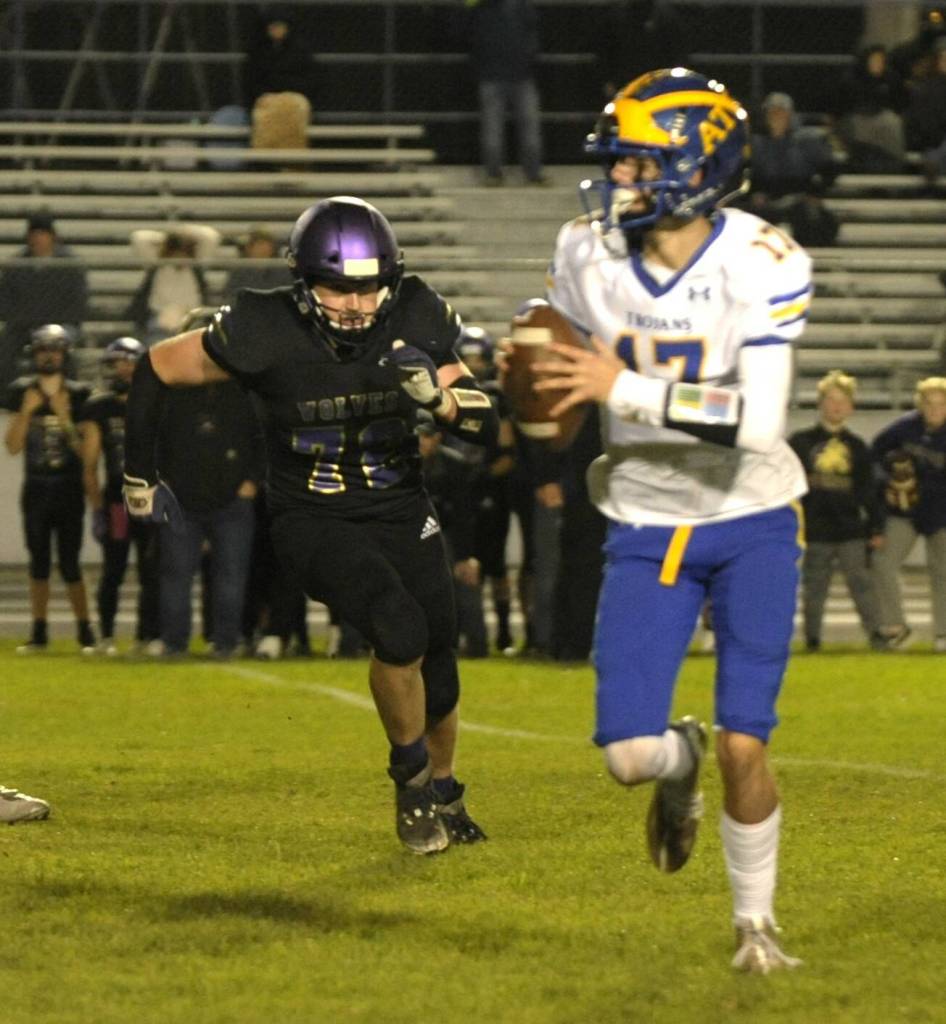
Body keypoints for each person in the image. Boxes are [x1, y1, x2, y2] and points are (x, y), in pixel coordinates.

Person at [534, 69, 811, 973]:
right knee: (625, 757)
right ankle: (674, 760)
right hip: (647, 519)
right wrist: (525, 367)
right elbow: (557, 355)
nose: (617, 179)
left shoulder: (762, 259)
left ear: (695, 166)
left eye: (636, 162)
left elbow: (760, 421)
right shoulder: (589, 249)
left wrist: (627, 389)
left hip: (754, 515)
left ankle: (754, 926)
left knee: (747, 740)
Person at [120, 196, 498, 854]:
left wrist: (437, 400)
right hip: (314, 516)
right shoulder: (263, 325)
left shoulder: (414, 310)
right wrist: (137, 474)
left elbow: (481, 417)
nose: (355, 304)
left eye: (367, 287)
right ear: (303, 280)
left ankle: (443, 788)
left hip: (402, 509)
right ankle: (409, 783)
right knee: (397, 628)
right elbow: (156, 367)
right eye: (337, 288)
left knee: (440, 656)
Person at [149, 307, 264, 659]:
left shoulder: (245, 391)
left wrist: (252, 481)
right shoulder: (169, 391)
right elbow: (152, 440)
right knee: (176, 576)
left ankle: (226, 642)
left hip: (231, 497)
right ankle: (174, 642)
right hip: (181, 498)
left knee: (230, 577)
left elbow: (261, 438)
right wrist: (160, 483)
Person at [3, 324, 96, 653]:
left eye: (55, 349)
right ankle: (39, 631)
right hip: (37, 486)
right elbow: (12, 446)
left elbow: (84, 450)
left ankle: (86, 630)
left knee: (70, 562)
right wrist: (27, 412)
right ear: (35, 353)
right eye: (43, 349)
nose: (49, 355)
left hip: (68, 487)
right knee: (38, 561)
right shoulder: (21, 391)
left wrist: (63, 416)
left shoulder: (80, 393)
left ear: (65, 353)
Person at [787, 370, 884, 651]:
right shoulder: (801, 443)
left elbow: (868, 491)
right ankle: (813, 638)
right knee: (814, 588)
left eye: (843, 401)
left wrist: (875, 527)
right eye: (831, 400)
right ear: (820, 403)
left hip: (850, 530)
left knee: (862, 585)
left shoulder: (857, 447)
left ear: (851, 407)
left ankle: (876, 634)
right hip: (815, 529)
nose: (837, 406)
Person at [79, 337, 160, 655]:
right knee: (114, 567)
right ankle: (107, 635)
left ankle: (148, 635)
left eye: (128, 362)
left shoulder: (157, 401)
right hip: (118, 498)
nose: (123, 369)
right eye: (116, 363)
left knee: (150, 569)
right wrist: (98, 508)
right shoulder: (100, 406)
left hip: (151, 496)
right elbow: (90, 464)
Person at [870, 377, 946, 652]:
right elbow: (875, 454)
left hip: (942, 511)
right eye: (929, 402)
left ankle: (943, 634)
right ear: (920, 404)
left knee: (943, 572)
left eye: (941, 403)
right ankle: (897, 627)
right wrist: (888, 480)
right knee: (883, 562)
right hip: (904, 509)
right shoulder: (905, 427)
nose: (936, 408)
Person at [0, 214, 88, 389]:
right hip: (23, 325)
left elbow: (77, 302)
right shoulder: (16, 265)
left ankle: (67, 395)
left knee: (62, 348)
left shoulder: (70, 265)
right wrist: (24, 321)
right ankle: (8, 396)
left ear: (52, 236)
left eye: (42, 234)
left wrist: (56, 325)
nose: (37, 239)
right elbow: (6, 301)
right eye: (33, 234)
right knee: (5, 348)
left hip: (61, 323)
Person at [467, 0, 546, 186]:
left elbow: (469, 35)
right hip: (520, 74)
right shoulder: (521, 6)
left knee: (493, 128)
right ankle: (532, 173)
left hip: (493, 74)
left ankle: (494, 174)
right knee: (528, 127)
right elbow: (533, 33)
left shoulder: (482, 8)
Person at [127, 226, 221, 344]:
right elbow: (138, 238)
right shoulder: (157, 263)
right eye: (175, 250)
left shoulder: (197, 265)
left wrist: (185, 234)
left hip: (192, 319)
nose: (180, 256)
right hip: (160, 320)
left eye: (184, 250)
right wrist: (169, 237)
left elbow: (211, 236)